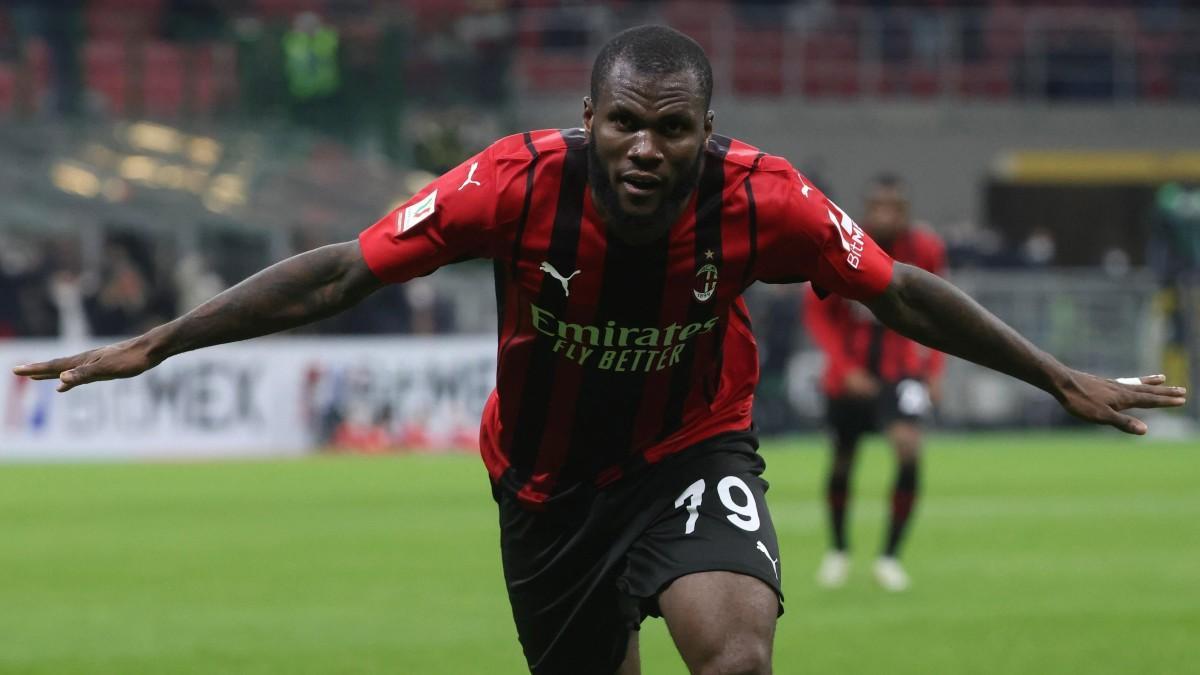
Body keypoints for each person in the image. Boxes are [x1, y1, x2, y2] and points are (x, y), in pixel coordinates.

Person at [13, 25, 1186, 675]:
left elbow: (904, 295)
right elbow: (337, 270)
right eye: (624, 122)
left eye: (672, 129)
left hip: (692, 447)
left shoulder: (765, 200)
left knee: (736, 660)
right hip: (546, 486)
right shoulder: (509, 186)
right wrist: (161, 344)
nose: (645, 148)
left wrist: (1053, 373)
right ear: (590, 121)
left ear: (705, 134)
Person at [805, 173, 945, 592]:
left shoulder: (925, 249)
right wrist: (842, 366)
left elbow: (942, 309)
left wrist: (935, 368)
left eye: (894, 208)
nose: (885, 215)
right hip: (848, 376)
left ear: (906, 212)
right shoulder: (842, 242)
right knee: (844, 459)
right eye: (878, 207)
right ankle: (839, 550)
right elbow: (817, 311)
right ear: (866, 209)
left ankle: (889, 558)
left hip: (901, 370)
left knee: (908, 449)